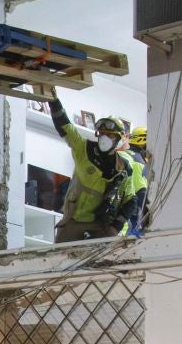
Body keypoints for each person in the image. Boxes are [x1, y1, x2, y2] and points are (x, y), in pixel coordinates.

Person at [46, 94, 146, 243]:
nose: (105, 138)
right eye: (103, 134)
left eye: (110, 135)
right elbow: (66, 127)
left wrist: (115, 226)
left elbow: (130, 201)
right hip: (73, 221)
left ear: (119, 139)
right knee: (59, 260)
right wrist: (53, 101)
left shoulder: (123, 168)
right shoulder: (84, 150)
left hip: (100, 226)